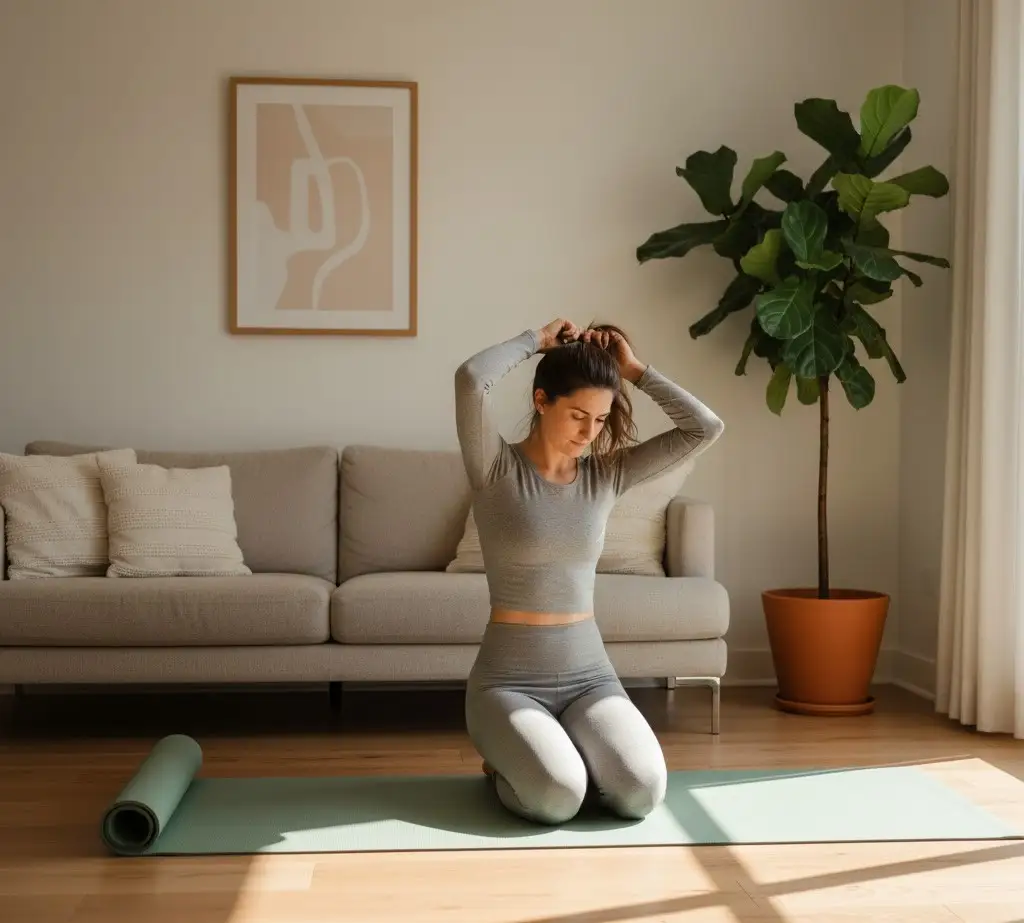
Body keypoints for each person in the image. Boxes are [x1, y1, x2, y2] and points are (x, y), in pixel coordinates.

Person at [453, 317, 725, 825]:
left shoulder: (607, 474)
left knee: (642, 793)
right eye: (578, 415)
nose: (589, 432)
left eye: (600, 419)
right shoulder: (495, 467)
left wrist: (635, 370)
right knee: (557, 797)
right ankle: (507, 762)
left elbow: (705, 428)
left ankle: (564, 753)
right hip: (507, 684)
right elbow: (471, 379)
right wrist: (535, 341)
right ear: (541, 401)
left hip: (590, 678)